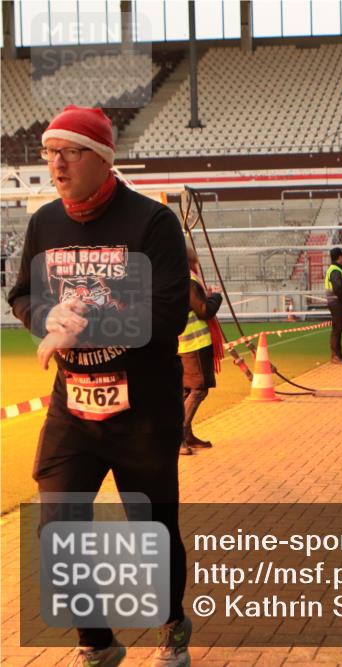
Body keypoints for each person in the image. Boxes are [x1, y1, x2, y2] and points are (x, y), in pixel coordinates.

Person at [6, 105, 193, 666]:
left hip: (144, 416)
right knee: (57, 530)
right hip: (74, 411)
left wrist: (87, 321)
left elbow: (168, 318)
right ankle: (97, 642)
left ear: (102, 158)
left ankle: (171, 622)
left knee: (150, 536)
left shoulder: (151, 223)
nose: (56, 164)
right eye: (49, 154)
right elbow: (21, 295)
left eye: (69, 152)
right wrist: (45, 319)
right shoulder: (45, 223)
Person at [178, 243, 223, 455]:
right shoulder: (189, 280)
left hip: (183, 343)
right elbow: (204, 311)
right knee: (198, 389)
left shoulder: (175, 277)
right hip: (194, 344)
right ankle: (180, 435)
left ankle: (186, 435)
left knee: (187, 390)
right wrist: (216, 297)